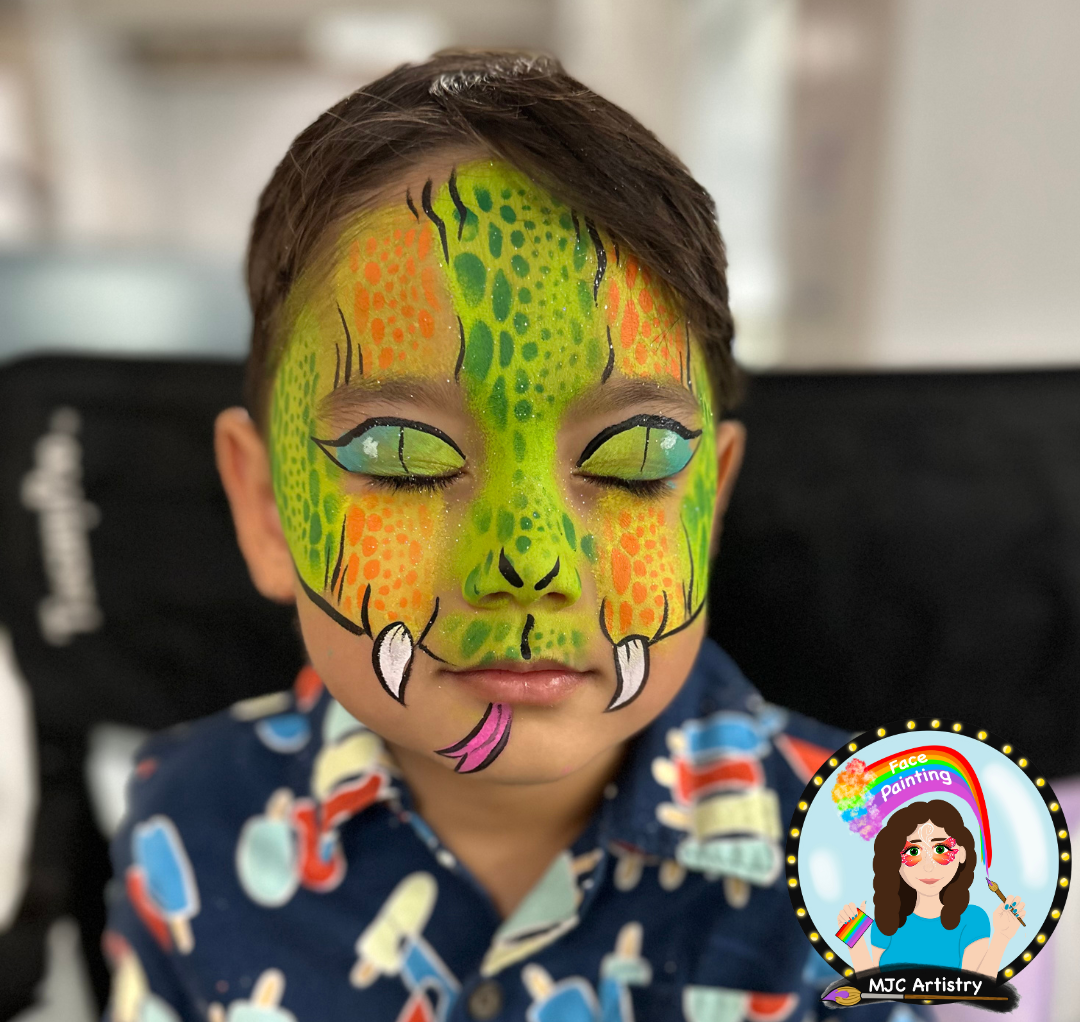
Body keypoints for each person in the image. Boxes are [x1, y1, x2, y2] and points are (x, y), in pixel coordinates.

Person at [102, 50, 885, 1022]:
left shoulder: (867, 854)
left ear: (709, 505)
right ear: (266, 508)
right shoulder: (185, 818)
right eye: (401, 457)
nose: (528, 562)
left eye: (635, 458)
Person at [837, 799, 1025, 975]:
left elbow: (975, 988)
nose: (928, 866)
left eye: (940, 849)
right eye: (913, 851)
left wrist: (1002, 937)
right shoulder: (886, 919)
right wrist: (854, 938)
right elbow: (873, 988)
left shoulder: (974, 920)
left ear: (962, 854)